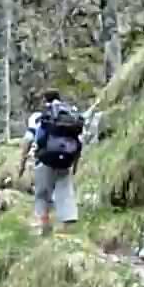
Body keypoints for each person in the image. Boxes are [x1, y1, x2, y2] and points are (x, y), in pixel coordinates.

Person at [17, 89, 85, 236]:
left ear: (44, 100)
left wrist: (21, 165)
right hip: (66, 161)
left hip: (45, 160)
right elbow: (79, 141)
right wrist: (75, 165)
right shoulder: (69, 115)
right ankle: (68, 229)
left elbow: (28, 140)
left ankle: (44, 226)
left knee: (42, 194)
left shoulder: (40, 116)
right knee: (65, 192)